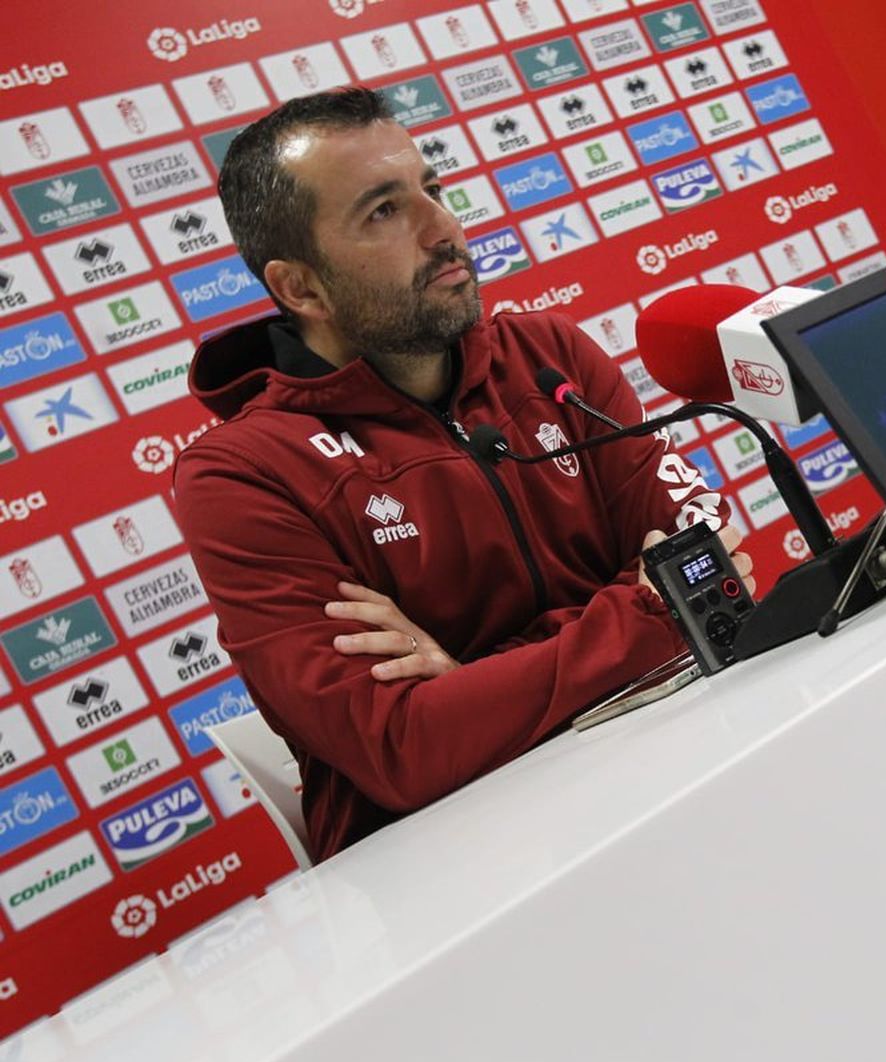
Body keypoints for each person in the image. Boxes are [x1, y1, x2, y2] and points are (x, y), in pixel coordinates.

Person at [174, 87, 750, 861]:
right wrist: (643, 616)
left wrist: (471, 681)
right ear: (301, 287)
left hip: (668, 762)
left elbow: (716, 577)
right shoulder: (242, 476)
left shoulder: (550, 357)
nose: (444, 229)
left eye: (433, 188)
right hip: (453, 867)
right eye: (384, 210)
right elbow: (404, 750)